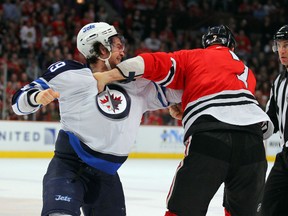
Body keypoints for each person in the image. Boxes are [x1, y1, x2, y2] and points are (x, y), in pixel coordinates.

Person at [93, 25, 274, 216]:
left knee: (182, 211)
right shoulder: (246, 71)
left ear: (206, 44)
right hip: (253, 143)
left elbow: (145, 63)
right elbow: (229, 104)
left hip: (211, 136)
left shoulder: (194, 56)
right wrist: (186, 107)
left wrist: (107, 76)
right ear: (232, 47)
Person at [11, 22, 182, 216]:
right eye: (117, 45)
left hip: (106, 177)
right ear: (102, 48)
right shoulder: (69, 72)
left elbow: (182, 89)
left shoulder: (137, 84)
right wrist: (36, 97)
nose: (123, 51)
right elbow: (18, 102)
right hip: (69, 168)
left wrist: (187, 102)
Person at [261, 25, 288, 216]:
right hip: (285, 157)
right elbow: (269, 121)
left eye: (287, 45)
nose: (282, 50)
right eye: (279, 45)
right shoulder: (279, 82)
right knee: (269, 208)